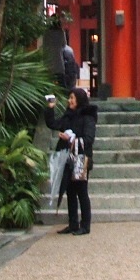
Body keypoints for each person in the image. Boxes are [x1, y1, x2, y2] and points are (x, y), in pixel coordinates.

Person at [43, 87, 97, 235]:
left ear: (79, 99)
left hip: (81, 159)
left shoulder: (88, 117)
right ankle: (73, 224)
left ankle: (85, 225)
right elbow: (53, 124)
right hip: (67, 158)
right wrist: (50, 108)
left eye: (72, 98)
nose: (69, 100)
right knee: (70, 191)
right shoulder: (68, 116)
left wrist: (71, 138)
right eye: (69, 98)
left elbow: (89, 139)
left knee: (82, 192)